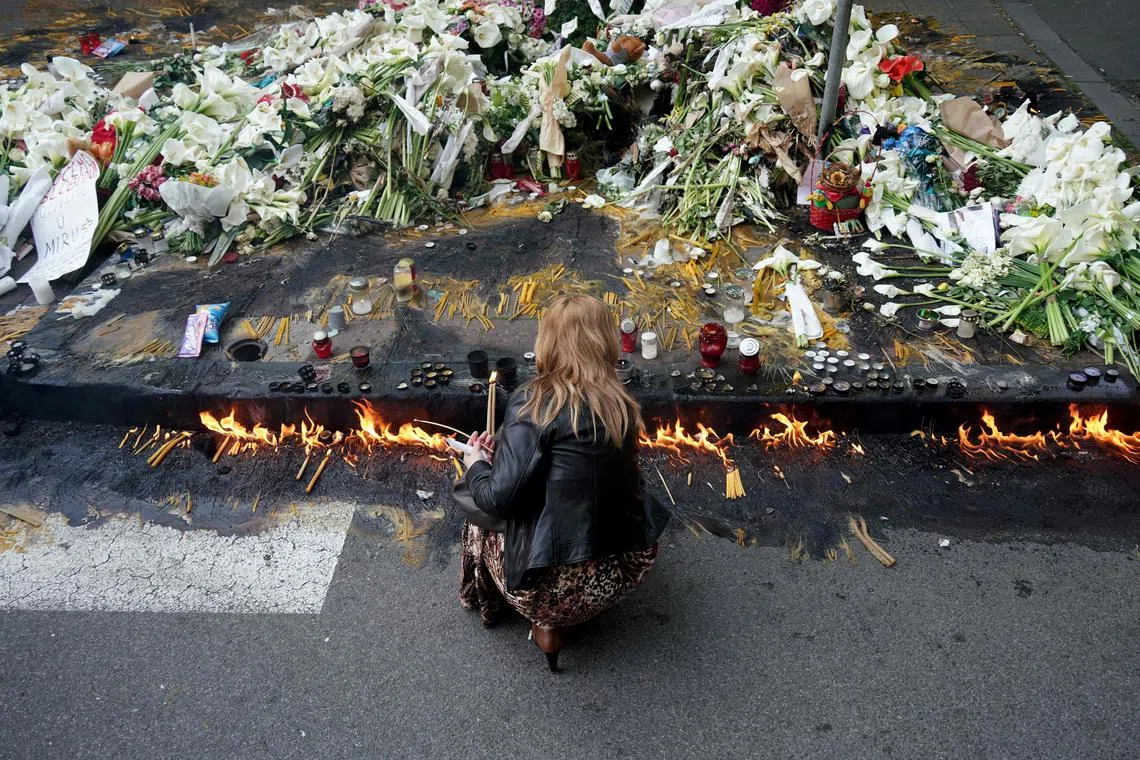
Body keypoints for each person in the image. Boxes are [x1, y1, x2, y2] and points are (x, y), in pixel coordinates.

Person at [458, 294, 670, 672]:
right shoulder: (619, 400)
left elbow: (496, 500)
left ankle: (534, 621)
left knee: (475, 509)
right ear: (603, 340)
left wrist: (477, 464)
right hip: (626, 568)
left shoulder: (532, 402)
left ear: (548, 341)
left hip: (552, 593)